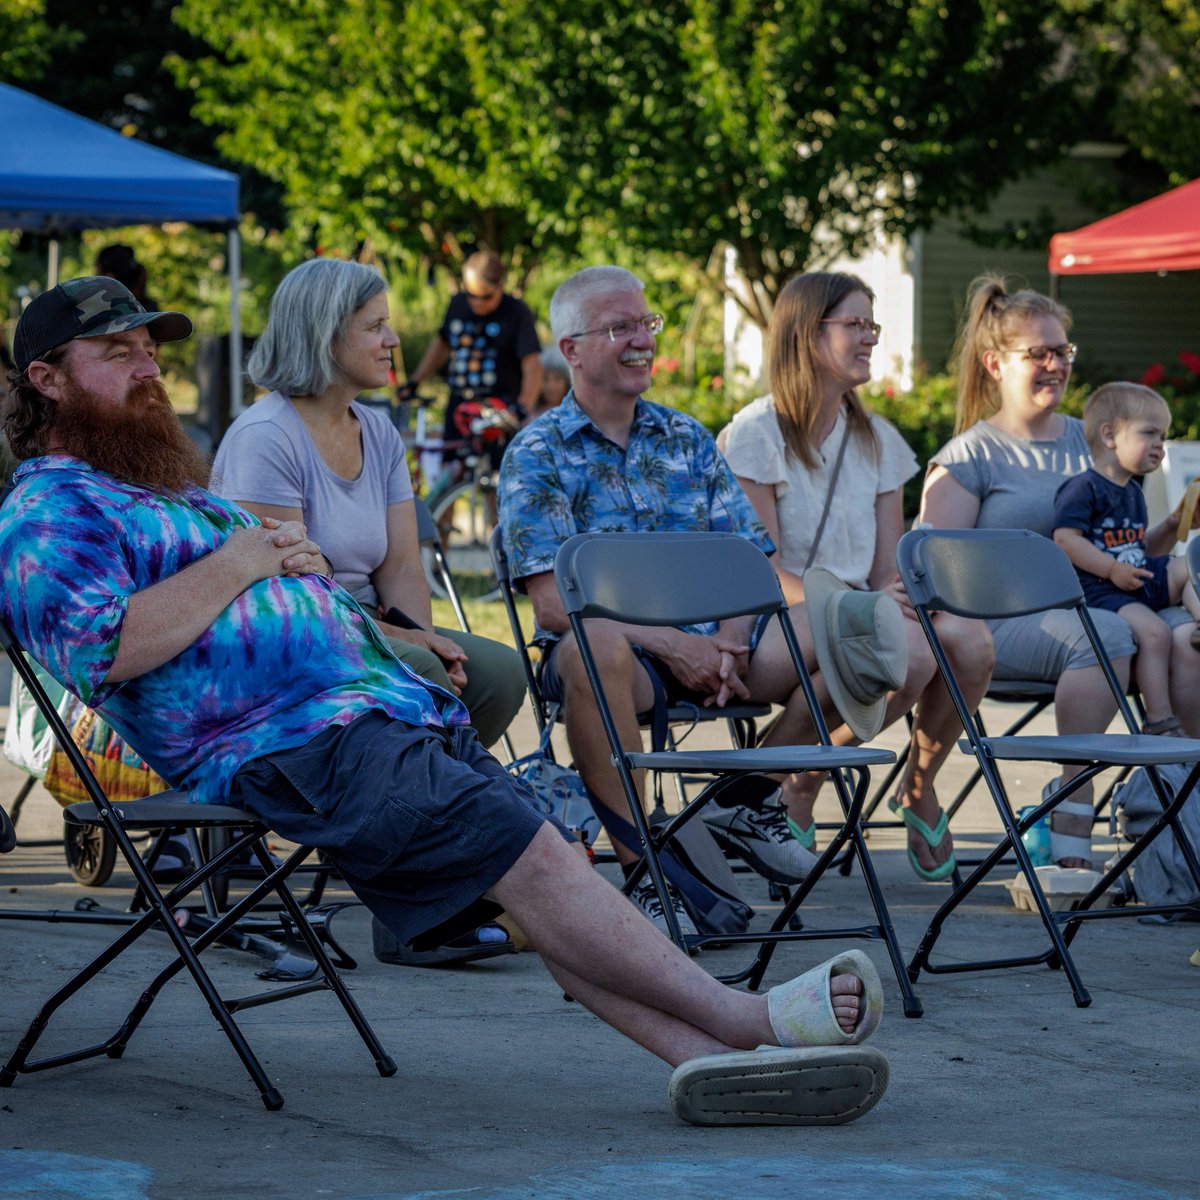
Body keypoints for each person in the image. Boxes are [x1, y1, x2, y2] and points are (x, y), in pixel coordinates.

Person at [0, 274, 889, 1127]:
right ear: (47, 379)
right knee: (538, 864)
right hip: (293, 744)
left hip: (373, 716)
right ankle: (746, 1019)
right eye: (117, 353)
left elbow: (265, 575)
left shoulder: (159, 490)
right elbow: (103, 649)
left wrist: (295, 570)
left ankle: (707, 1060)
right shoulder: (47, 512)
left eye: (149, 349)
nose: (149, 367)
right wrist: (244, 561)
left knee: (546, 873)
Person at [498, 266, 905, 932]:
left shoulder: (686, 438)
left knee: (848, 630)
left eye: (646, 324)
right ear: (571, 349)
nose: (642, 340)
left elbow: (747, 565)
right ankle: (646, 874)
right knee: (593, 646)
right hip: (617, 658)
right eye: (620, 327)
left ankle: (741, 799)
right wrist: (671, 644)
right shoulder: (536, 452)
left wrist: (731, 640)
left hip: (721, 650)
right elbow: (552, 606)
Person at [921, 275, 1200, 870]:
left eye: (1062, 351)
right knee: (1108, 636)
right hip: (1005, 624)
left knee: (1188, 636)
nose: (1055, 365)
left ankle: (1185, 805)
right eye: (1038, 353)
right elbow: (933, 571)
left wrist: (1175, 523)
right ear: (995, 363)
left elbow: (1127, 546)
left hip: (1105, 603)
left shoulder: (1097, 440)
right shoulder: (971, 456)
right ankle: (1073, 805)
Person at [722, 272, 994, 881]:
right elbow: (758, 568)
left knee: (968, 639)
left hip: (857, 610)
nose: (871, 337)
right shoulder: (755, 435)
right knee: (906, 654)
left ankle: (916, 783)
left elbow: (886, 568)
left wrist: (898, 598)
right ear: (806, 333)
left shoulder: (879, 441)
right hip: (780, 618)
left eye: (873, 324)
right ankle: (790, 779)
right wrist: (854, 607)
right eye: (856, 324)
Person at [212, 258, 525, 754]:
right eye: (376, 326)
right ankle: (428, 791)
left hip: (369, 624)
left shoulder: (377, 430)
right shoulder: (265, 437)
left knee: (500, 673)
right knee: (419, 669)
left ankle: (432, 787)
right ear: (325, 337)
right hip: (292, 636)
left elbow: (401, 563)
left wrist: (425, 637)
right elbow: (288, 598)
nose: (393, 341)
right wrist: (411, 645)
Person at [1052, 382, 1200, 738]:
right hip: (1099, 589)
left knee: (1189, 564)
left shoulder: (1132, 491)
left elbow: (1139, 549)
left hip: (1130, 580)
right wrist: (1111, 569)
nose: (1160, 445)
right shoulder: (1083, 487)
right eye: (1149, 433)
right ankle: (1159, 719)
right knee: (1155, 632)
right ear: (1109, 435)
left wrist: (1172, 525)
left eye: (1163, 436)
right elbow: (1065, 539)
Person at [401, 250, 541, 451]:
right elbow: (442, 344)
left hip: (498, 409)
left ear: (500, 285)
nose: (477, 303)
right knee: (452, 463)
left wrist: (523, 407)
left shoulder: (517, 311)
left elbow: (532, 363)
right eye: (471, 295)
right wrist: (415, 381)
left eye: (485, 297)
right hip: (459, 404)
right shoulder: (458, 304)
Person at [95, 243, 156, 310]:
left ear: (109, 277)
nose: (95, 279)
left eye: (98, 274)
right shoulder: (150, 310)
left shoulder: (103, 311)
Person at [524, 346, 570, 424]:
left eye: (557, 378)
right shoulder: (529, 415)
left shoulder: (576, 414)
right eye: (545, 379)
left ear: (567, 382)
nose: (551, 386)